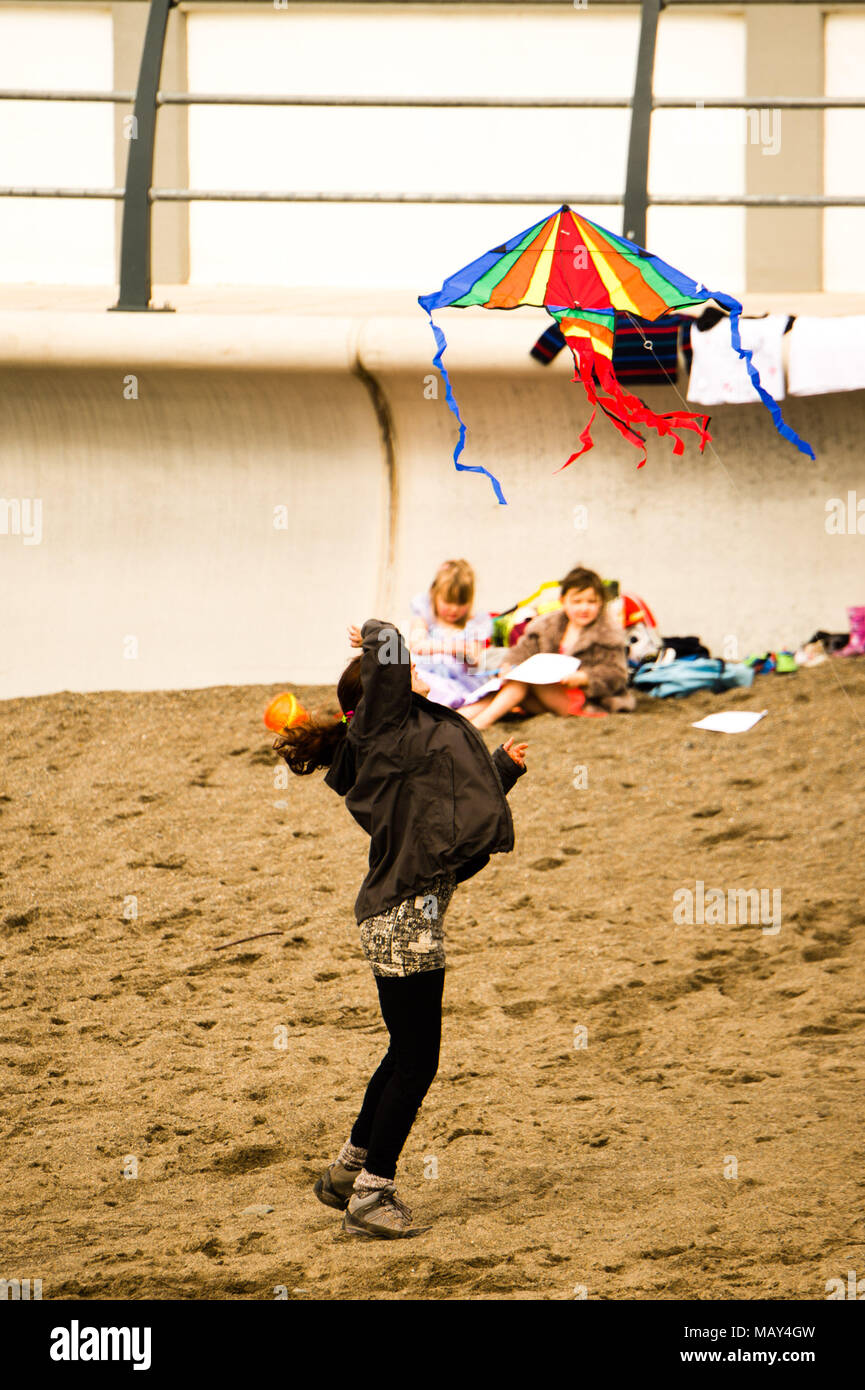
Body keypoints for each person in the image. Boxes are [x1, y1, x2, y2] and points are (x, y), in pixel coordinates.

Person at [273, 618, 528, 1238]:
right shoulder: (382, 727)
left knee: (404, 1051)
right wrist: (377, 636)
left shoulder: (394, 748)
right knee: (417, 1060)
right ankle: (372, 1194)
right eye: (405, 670)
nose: (416, 673)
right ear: (380, 695)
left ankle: (346, 1173)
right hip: (405, 919)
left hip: (398, 916)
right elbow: (389, 661)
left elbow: (444, 817)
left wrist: (502, 771)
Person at [463, 565, 635, 728]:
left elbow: (616, 674)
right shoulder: (547, 625)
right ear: (563, 601)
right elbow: (522, 650)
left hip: (585, 701)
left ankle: (479, 724)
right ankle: (461, 717)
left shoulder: (607, 633)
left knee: (521, 681)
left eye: (591, 602)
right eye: (577, 601)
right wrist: (508, 665)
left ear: (601, 603)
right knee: (511, 684)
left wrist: (584, 678)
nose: (584, 608)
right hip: (544, 695)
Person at [408, 559, 494, 709]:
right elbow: (417, 645)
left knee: (465, 695)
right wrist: (450, 648)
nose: (454, 609)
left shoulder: (474, 624)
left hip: (458, 682)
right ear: (434, 594)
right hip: (427, 674)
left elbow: (475, 660)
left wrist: (466, 654)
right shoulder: (426, 615)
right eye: (448, 602)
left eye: (461, 603)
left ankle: (449, 707)